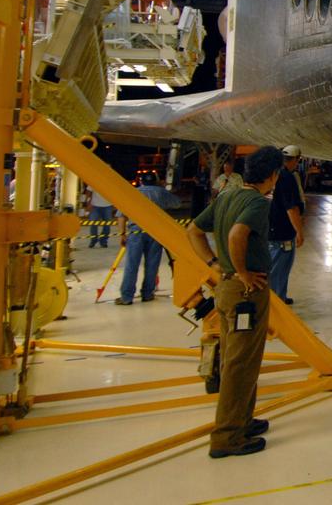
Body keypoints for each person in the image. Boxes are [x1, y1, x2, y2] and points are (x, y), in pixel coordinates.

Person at [187, 144, 284, 459]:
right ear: (272, 175)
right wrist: (244, 273)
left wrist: (214, 264)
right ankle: (227, 437)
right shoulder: (257, 202)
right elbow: (237, 235)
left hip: (226, 289)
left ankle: (242, 420)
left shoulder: (227, 197)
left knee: (238, 358)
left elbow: (193, 230)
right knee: (241, 365)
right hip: (245, 292)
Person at [116, 173, 182, 305]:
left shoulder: (133, 193)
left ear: (141, 181)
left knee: (131, 265)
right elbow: (177, 204)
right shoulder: (161, 193)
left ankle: (126, 297)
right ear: (156, 181)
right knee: (152, 264)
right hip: (155, 233)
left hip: (136, 233)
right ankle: (147, 294)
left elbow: (121, 216)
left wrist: (122, 234)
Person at [266, 145, 305, 305]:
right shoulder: (287, 177)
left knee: (278, 267)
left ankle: (280, 294)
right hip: (282, 232)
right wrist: (299, 231)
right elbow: (291, 207)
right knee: (280, 268)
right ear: (296, 160)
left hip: (271, 227)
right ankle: (276, 301)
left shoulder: (273, 174)